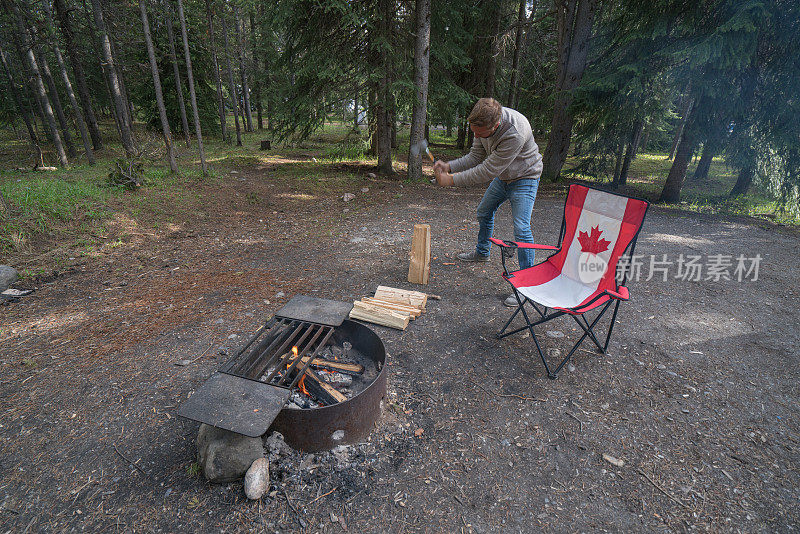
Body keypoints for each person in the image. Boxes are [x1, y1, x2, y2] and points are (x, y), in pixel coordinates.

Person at [434, 98, 543, 307]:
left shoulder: (514, 132)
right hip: (504, 177)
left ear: (495, 126)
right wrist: (450, 166)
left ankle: (526, 286)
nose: (475, 136)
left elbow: (486, 170)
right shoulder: (482, 124)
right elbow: (476, 156)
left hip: (525, 178)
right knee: (484, 211)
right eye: (473, 131)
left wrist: (451, 180)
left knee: (521, 227)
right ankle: (482, 252)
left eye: (479, 132)